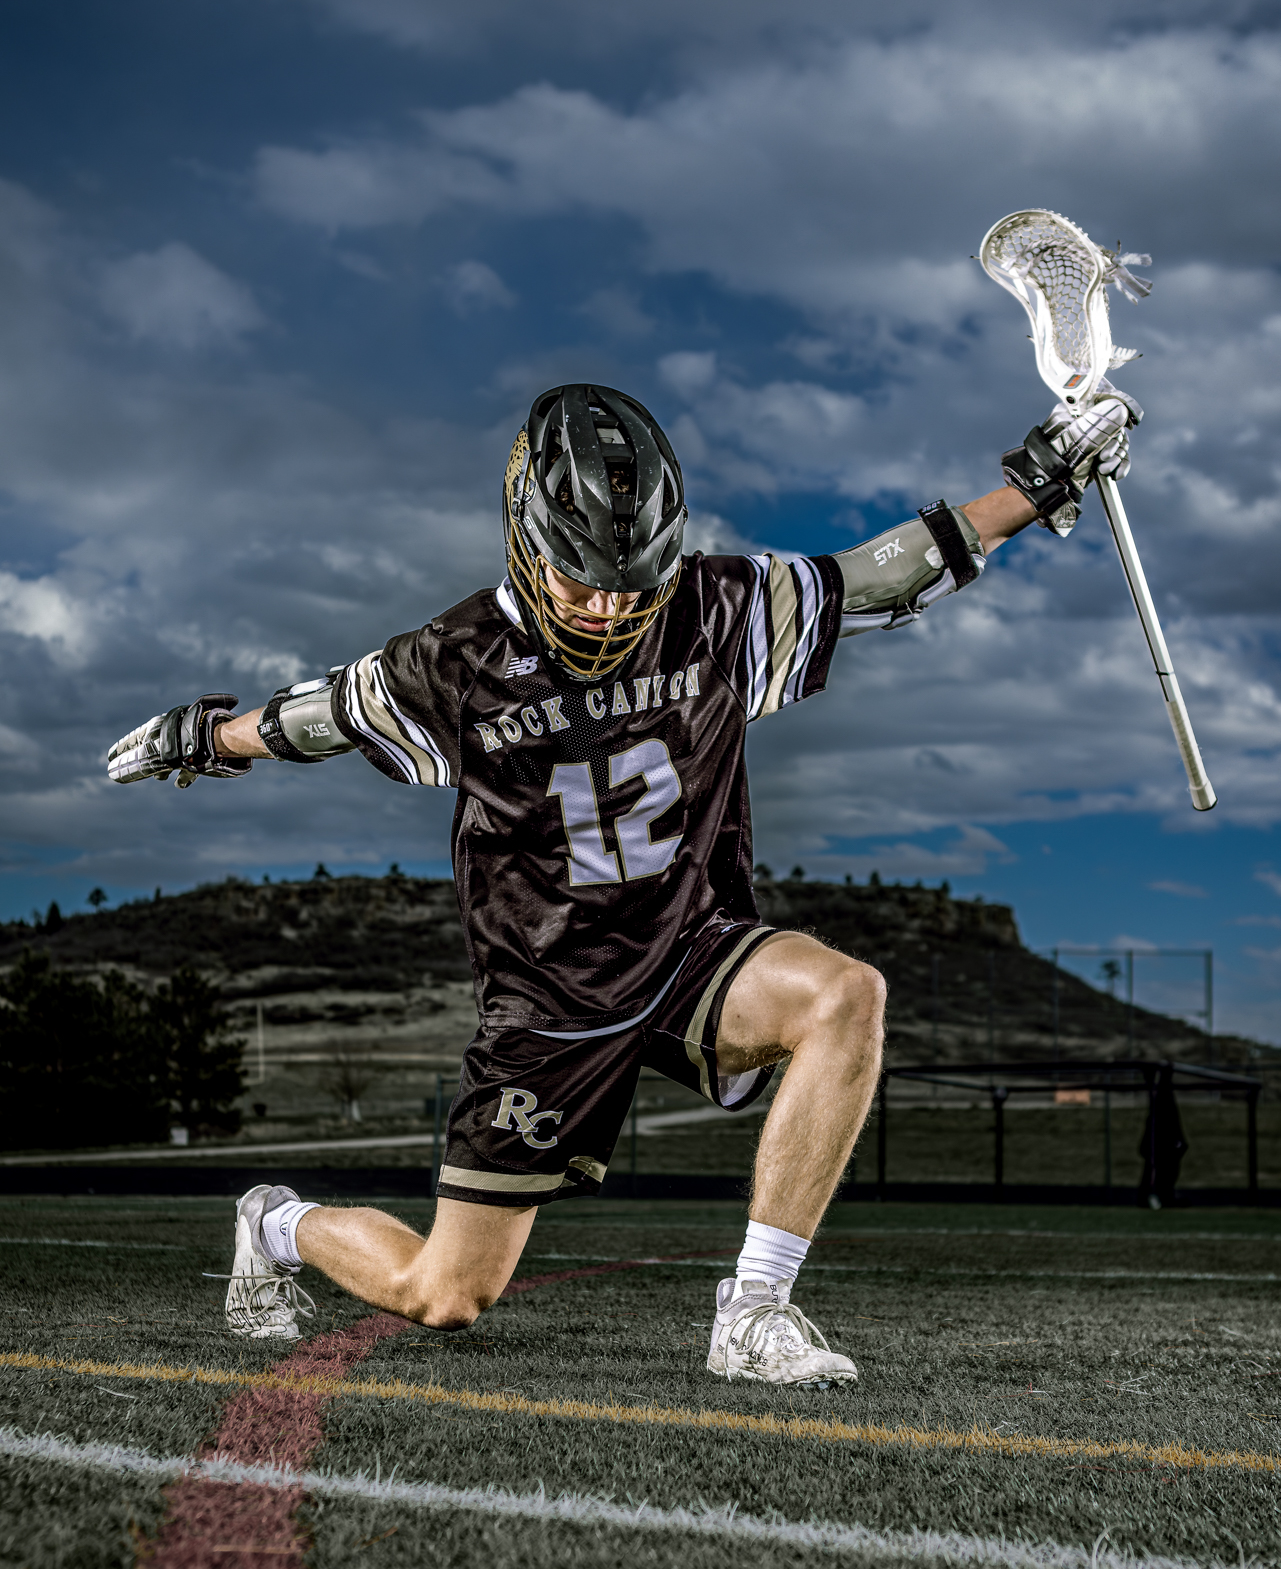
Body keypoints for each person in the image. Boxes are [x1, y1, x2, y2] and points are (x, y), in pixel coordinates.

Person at [108, 382, 1136, 1385]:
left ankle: (754, 1312)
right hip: (549, 1000)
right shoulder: (452, 662)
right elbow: (320, 717)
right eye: (582, 584)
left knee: (845, 993)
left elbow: (880, 574)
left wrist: (1038, 484)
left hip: (689, 946)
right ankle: (276, 1224)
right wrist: (206, 737)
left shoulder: (717, 606)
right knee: (444, 1294)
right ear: (527, 543)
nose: (607, 610)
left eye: (632, 586)